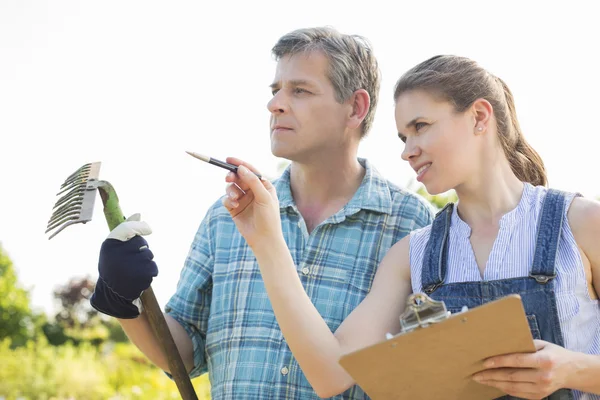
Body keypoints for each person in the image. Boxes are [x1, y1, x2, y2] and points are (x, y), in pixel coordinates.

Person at [222, 55, 600, 400]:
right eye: (404, 137)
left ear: (480, 117)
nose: (407, 151)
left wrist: (573, 369)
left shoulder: (581, 223)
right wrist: (267, 240)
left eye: (421, 127)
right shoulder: (412, 255)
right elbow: (329, 373)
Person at [89, 27, 434, 399]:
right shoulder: (226, 218)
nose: (275, 104)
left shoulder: (414, 225)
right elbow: (182, 353)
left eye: (299, 90)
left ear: (356, 107)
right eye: (275, 91)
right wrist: (126, 299)